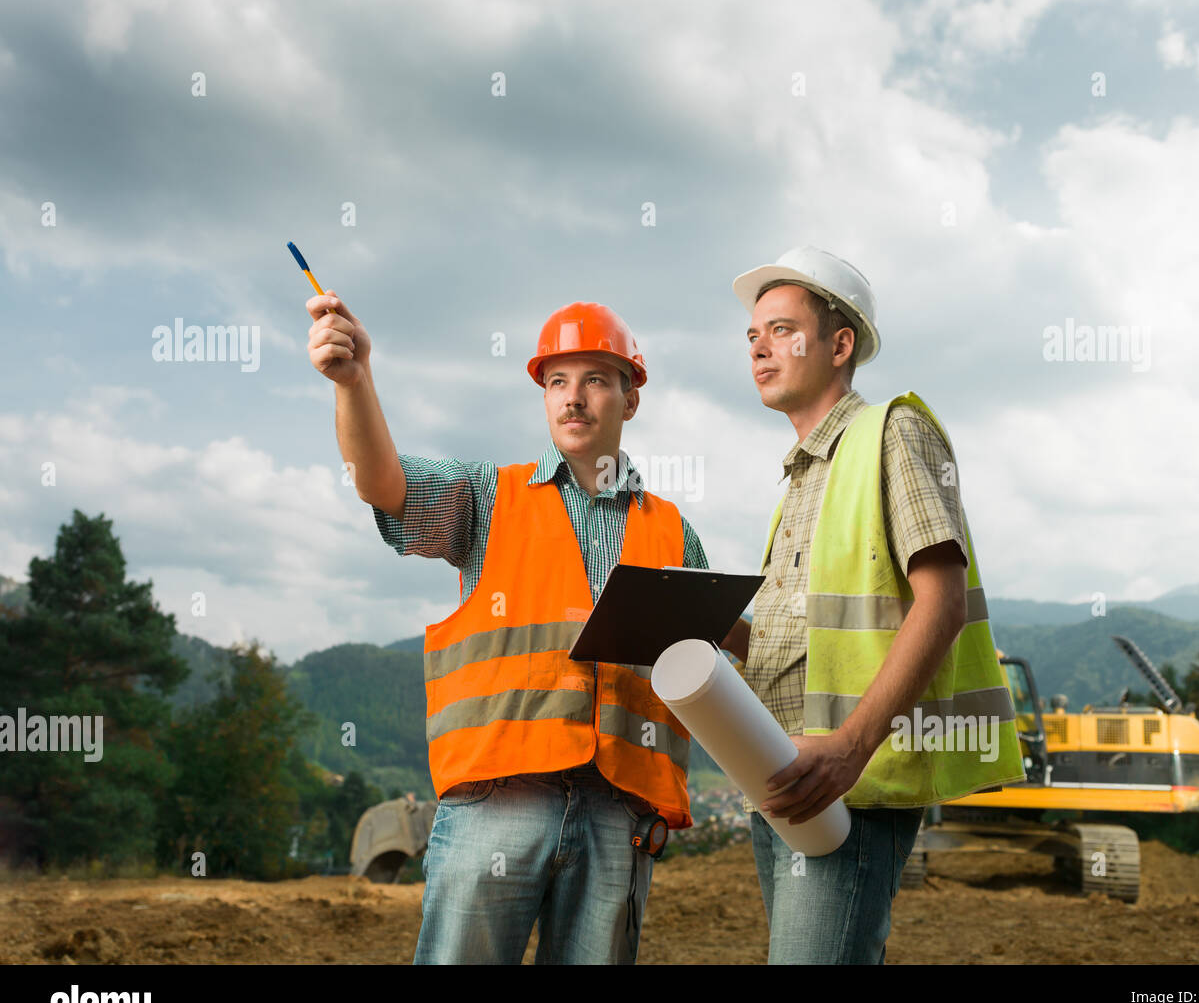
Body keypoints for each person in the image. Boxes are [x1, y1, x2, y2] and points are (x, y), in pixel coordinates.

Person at [306, 292, 708, 964]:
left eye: (596, 380)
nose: (573, 398)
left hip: (619, 815)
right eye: (557, 381)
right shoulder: (489, 496)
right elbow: (385, 484)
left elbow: (707, 664)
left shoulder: (674, 534)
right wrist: (354, 381)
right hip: (498, 803)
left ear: (631, 397)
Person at [719, 246, 1023, 964]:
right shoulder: (799, 480)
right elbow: (798, 642)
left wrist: (850, 748)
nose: (760, 345)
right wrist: (696, 628)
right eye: (753, 335)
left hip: (853, 783)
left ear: (840, 343)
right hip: (786, 775)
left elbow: (942, 602)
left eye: (783, 328)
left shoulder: (892, 431)